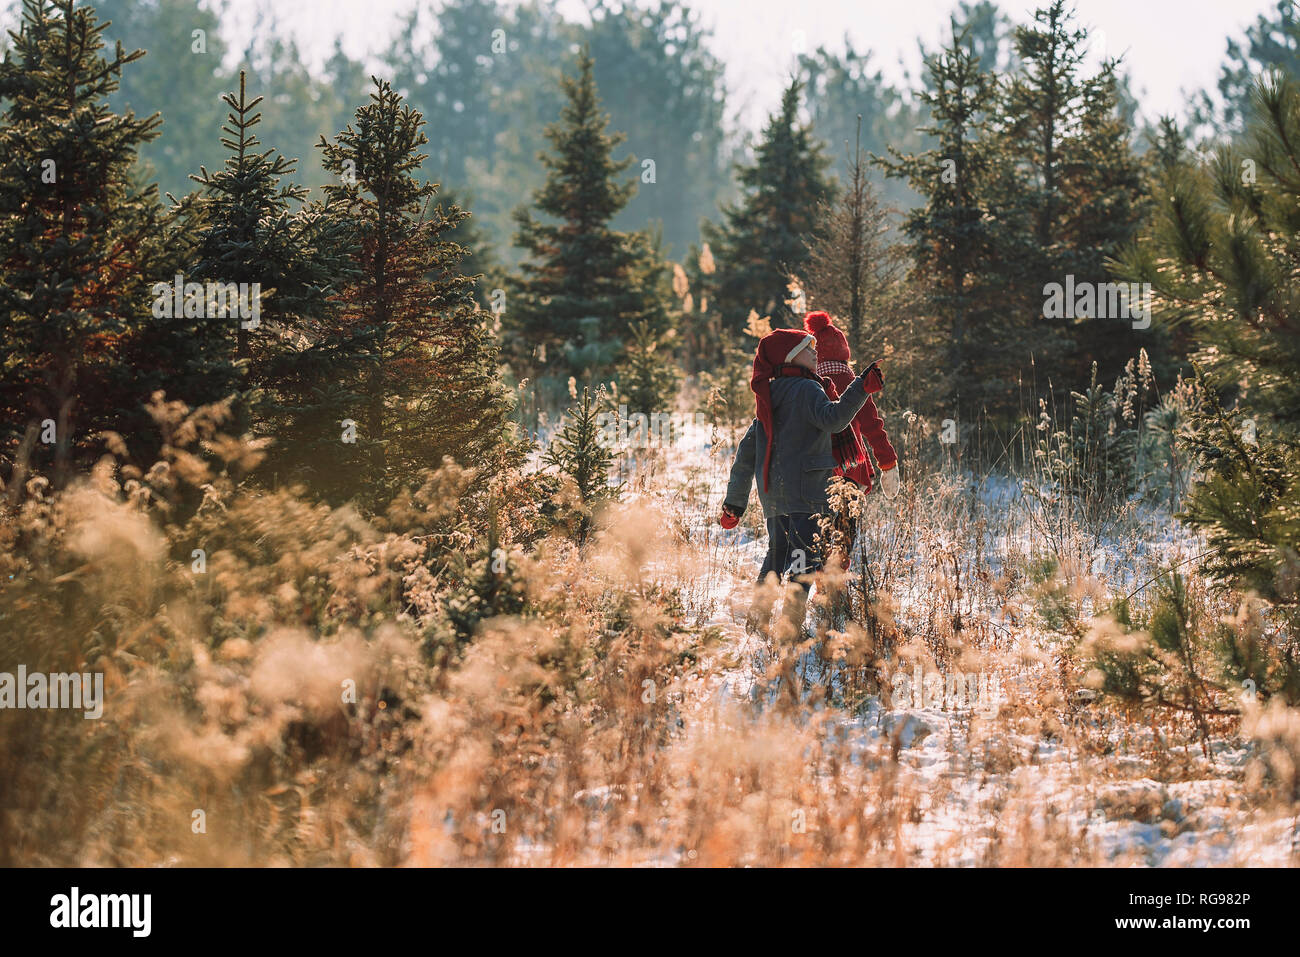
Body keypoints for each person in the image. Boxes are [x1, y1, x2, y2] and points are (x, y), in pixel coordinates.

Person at [717, 327, 884, 594]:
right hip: (807, 494)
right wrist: (861, 386)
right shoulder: (808, 389)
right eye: (808, 348)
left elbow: (746, 456)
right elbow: (835, 419)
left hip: (774, 497)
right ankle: (791, 629)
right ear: (789, 357)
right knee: (803, 561)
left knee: (777, 553)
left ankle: (759, 614)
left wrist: (734, 503)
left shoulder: (768, 396)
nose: (815, 353)